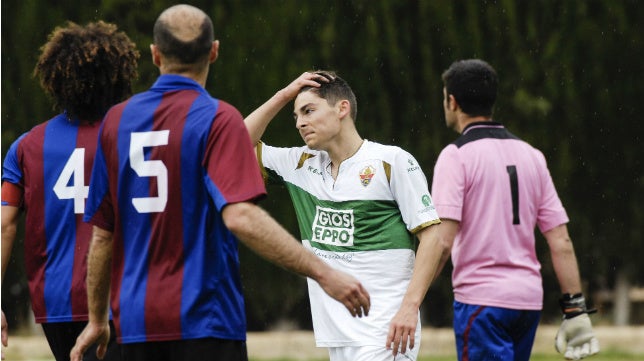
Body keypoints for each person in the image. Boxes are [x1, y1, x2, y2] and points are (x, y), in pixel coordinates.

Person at [69, 5, 370, 361]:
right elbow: (240, 216)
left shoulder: (116, 121)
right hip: (206, 321)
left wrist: (95, 319)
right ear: (214, 51)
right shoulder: (218, 118)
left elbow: (102, 235)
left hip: (136, 324)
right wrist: (324, 273)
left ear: (154, 54)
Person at [244, 71, 449, 361]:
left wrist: (409, 308)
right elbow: (235, 145)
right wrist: (283, 95)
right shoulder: (299, 164)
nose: (301, 122)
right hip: (337, 335)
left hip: (386, 331)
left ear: (342, 108)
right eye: (296, 115)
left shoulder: (392, 161)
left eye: (309, 111)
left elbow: (433, 238)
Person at [431, 59, 600, 361]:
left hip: (481, 302)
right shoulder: (532, 155)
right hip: (527, 303)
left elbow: (441, 241)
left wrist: (409, 300)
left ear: (452, 102)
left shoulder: (455, 156)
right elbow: (560, 240)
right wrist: (575, 308)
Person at [1, 21, 139, 361]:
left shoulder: (25, 146)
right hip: (119, 296)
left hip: (55, 300)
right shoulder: (134, 137)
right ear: (117, 78)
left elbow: (5, 225)